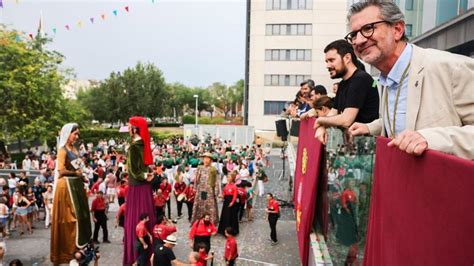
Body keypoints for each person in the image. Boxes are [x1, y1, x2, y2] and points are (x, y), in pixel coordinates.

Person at [346, 1, 474, 160]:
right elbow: (403, 120)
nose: (359, 41)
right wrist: (370, 127)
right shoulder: (386, 77)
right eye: (353, 35)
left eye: (368, 29)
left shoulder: (452, 67)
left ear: (398, 30)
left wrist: (431, 139)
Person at [314, 39, 379, 145]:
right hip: (349, 146)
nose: (328, 65)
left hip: (364, 148)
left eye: (332, 60)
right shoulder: (343, 83)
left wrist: (320, 120)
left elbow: (346, 119)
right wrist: (321, 126)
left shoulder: (360, 79)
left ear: (347, 58)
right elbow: (333, 113)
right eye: (327, 61)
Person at [51, 123, 92, 265]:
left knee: (81, 216)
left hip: (76, 185)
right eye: (75, 133)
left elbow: (79, 166)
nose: (77, 136)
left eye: (77, 134)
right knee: (70, 218)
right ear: (67, 134)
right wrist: (75, 173)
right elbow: (60, 170)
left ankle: (80, 246)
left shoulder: (74, 149)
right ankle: (67, 251)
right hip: (66, 186)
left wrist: (82, 174)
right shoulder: (62, 150)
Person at [123, 116, 156, 265]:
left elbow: (133, 169)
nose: (128, 128)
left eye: (130, 126)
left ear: (135, 129)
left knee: (135, 214)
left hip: (137, 185)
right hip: (142, 185)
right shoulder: (141, 143)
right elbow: (143, 165)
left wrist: (144, 175)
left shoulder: (135, 145)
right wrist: (148, 174)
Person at [191, 152, 221, 225]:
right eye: (205, 158)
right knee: (202, 204)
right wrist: (194, 187)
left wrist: (217, 191)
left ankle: (211, 222)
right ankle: (200, 220)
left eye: (208, 158)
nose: (206, 160)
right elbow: (196, 179)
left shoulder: (213, 169)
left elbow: (217, 181)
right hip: (201, 190)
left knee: (210, 205)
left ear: (211, 160)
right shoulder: (200, 168)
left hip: (210, 191)